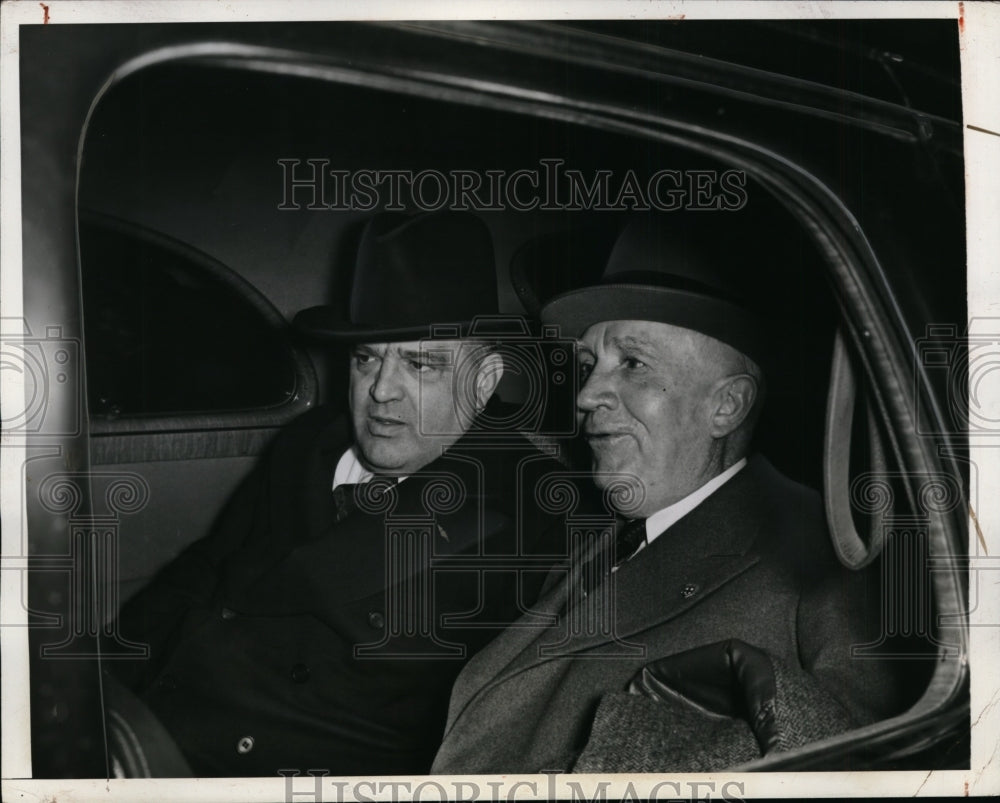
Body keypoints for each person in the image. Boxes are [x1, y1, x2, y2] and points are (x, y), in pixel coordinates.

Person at [431, 215, 901, 774]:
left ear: (726, 405)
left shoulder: (824, 560)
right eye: (589, 364)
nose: (586, 395)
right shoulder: (605, 536)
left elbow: (861, 763)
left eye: (632, 362)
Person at [110, 211, 567, 776]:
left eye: (420, 364)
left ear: (486, 380)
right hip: (145, 723)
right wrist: (102, 678)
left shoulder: (536, 508)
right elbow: (204, 567)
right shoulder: (308, 444)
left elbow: (502, 728)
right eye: (366, 357)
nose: (380, 391)